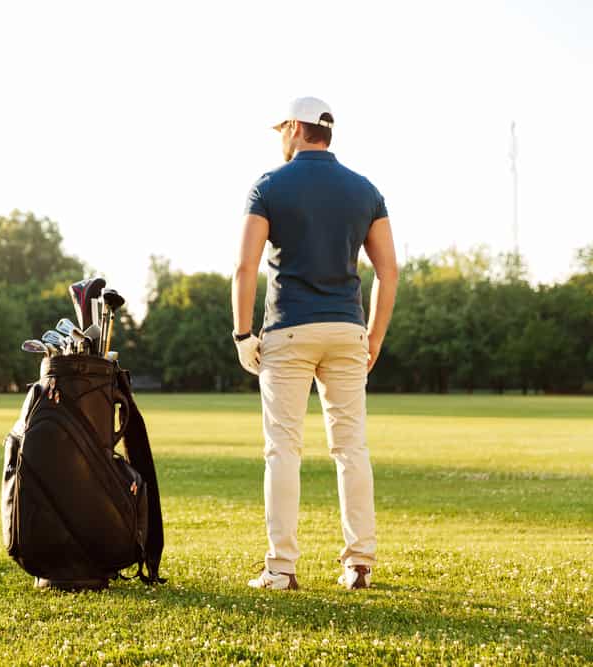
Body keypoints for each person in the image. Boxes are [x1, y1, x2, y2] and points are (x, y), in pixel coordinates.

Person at [231, 96, 398, 590]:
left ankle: (281, 568)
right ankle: (359, 564)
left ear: (297, 130)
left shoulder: (269, 185)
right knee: (351, 449)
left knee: (283, 449)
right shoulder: (365, 189)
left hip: (289, 330)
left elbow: (244, 267)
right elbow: (388, 273)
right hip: (348, 331)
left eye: (283, 128)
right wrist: (375, 336)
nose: (281, 137)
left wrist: (243, 334)